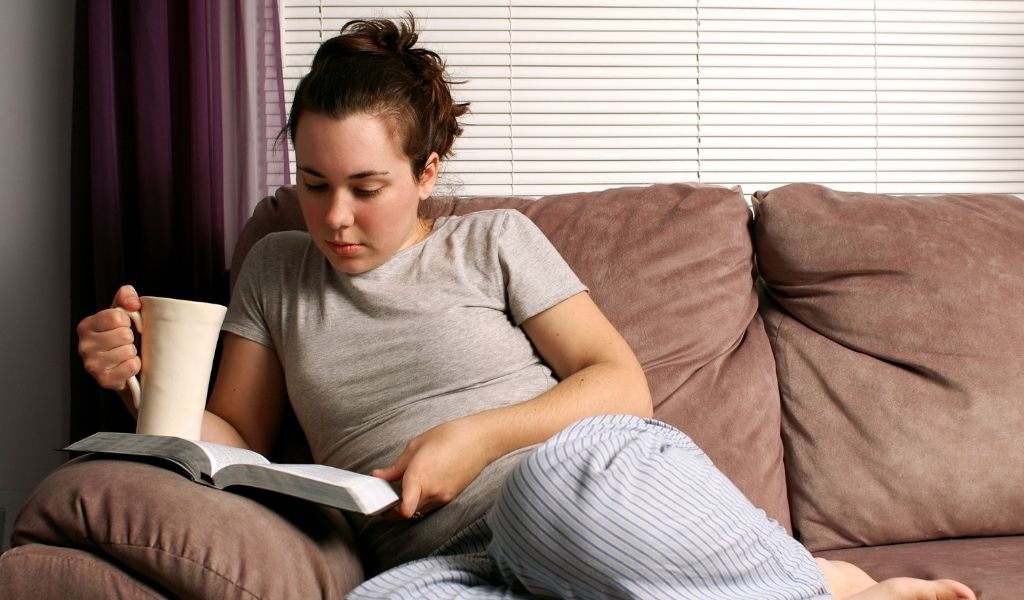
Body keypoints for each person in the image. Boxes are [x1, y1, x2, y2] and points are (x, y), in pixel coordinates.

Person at [78, 15, 976, 600]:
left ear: (427, 173)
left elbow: (620, 385)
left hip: (583, 487)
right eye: (313, 184)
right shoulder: (277, 268)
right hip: (450, 559)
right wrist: (143, 384)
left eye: (365, 187)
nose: (335, 217)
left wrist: (475, 438)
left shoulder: (493, 240)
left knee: (544, 499)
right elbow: (235, 435)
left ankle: (826, 588)